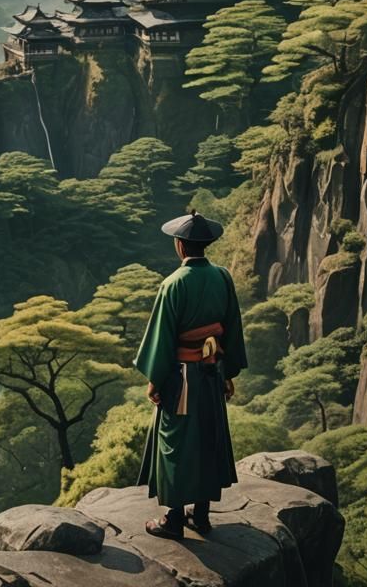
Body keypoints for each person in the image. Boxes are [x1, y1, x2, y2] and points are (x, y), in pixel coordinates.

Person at [134, 209, 247, 539]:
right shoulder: (223, 276)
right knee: (207, 438)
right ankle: (201, 516)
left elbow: (163, 339)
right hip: (212, 374)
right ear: (205, 244)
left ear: (181, 246)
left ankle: (173, 520)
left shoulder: (173, 284)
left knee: (176, 441)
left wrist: (155, 381)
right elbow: (232, 329)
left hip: (182, 378)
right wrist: (228, 374)